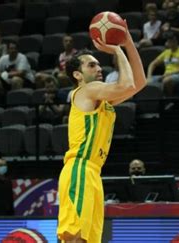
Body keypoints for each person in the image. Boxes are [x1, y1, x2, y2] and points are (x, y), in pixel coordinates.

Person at [57, 27, 147, 242]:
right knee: (74, 238)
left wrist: (128, 43)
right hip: (79, 168)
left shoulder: (101, 98)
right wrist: (117, 50)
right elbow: (127, 84)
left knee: (88, 239)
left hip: (93, 172)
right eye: (91, 64)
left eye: (98, 63)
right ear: (78, 75)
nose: (98, 67)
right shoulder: (88, 90)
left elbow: (139, 83)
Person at [147, 32, 179, 96]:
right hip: (165, 75)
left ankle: (169, 99)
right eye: (169, 41)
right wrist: (149, 76)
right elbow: (152, 64)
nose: (170, 43)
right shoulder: (166, 52)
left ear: (176, 41)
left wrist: (170, 74)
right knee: (144, 82)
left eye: (172, 41)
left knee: (167, 80)